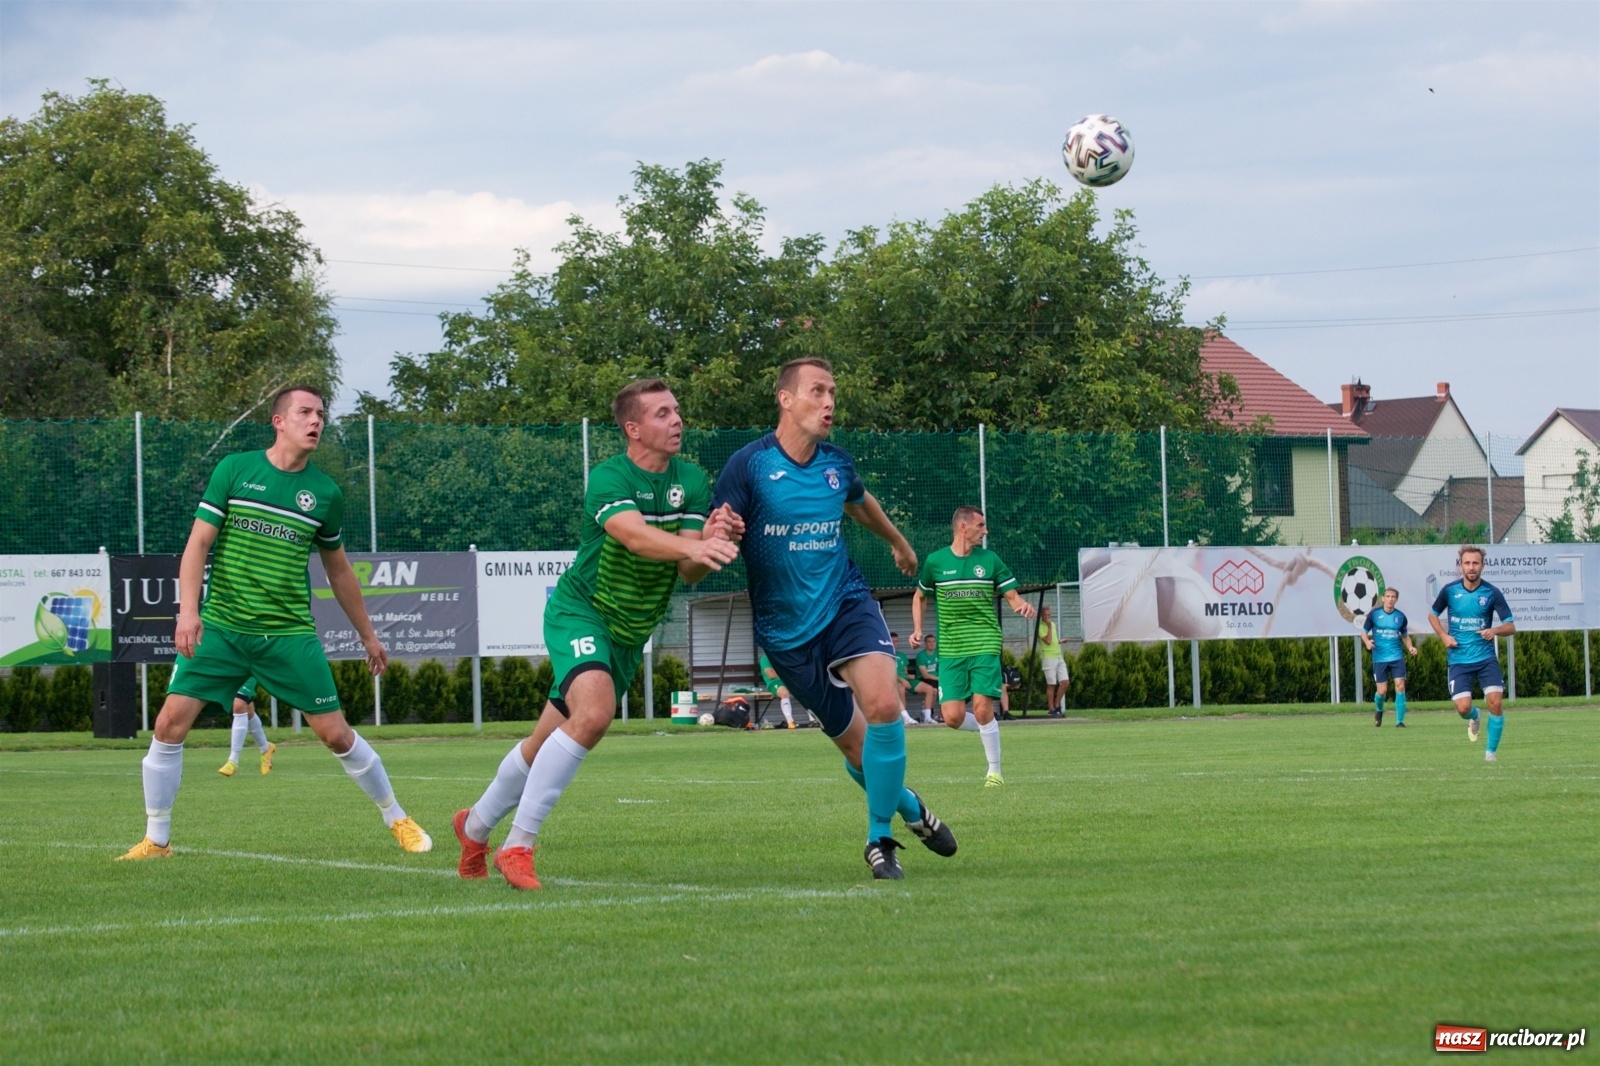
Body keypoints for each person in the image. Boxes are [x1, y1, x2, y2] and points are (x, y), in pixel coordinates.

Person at [119, 385, 430, 860]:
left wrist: (368, 635)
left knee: (335, 734)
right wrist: (188, 611)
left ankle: (398, 818)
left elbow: (339, 569)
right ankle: (156, 840)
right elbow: (198, 544)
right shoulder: (236, 470)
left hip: (288, 635)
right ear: (278, 421)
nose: (316, 421)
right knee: (168, 725)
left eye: (321, 414)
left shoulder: (324, 494)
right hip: (222, 628)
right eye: (305, 412)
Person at [453, 380, 742, 889]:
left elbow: (689, 569)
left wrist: (711, 542)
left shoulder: (692, 480)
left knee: (545, 740)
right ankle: (517, 846)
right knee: (594, 714)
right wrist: (692, 548)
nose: (676, 420)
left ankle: (474, 827)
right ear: (633, 429)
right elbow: (633, 536)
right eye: (661, 413)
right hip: (582, 613)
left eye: (676, 411)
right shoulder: (609, 476)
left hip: (631, 631)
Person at [712, 357, 957, 880]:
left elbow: (859, 501)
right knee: (858, 748)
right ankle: (911, 809)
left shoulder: (836, 464)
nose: (828, 403)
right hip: (787, 632)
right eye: (817, 391)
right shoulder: (749, 465)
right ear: (786, 399)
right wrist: (722, 531)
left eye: (833, 393)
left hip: (845, 602)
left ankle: (879, 840)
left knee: (886, 704)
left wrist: (897, 541)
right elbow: (720, 523)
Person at [911, 506, 1036, 786]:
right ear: (963, 528)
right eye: (981, 525)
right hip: (952, 648)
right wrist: (918, 629)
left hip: (984, 642)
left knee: (981, 707)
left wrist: (1021, 605)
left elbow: (1012, 595)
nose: (985, 530)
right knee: (952, 717)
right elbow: (919, 596)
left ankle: (995, 771)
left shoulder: (990, 560)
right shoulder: (936, 562)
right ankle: (987, 728)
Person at [1428, 545, 1516, 761]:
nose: (1471, 567)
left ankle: (1490, 753)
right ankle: (1475, 716)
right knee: (1463, 707)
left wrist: (1494, 630)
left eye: (1475, 563)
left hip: (1485, 658)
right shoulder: (1450, 591)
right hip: (1458, 659)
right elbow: (1432, 615)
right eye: (1467, 563)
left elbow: (1510, 626)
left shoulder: (1492, 593)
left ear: (1482, 565)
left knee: (1495, 702)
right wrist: (1444, 636)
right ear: (1460, 566)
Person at [1362, 588, 1417, 728]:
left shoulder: (1400, 617)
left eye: (1393, 597)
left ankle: (1399, 721)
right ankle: (1379, 710)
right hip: (1379, 658)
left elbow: (1405, 635)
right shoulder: (1374, 614)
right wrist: (1367, 642)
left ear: (1396, 599)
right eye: (1388, 596)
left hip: (1396, 657)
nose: (1390, 599)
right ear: (1383, 598)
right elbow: (1363, 633)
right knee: (1382, 691)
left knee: (1400, 686)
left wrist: (1410, 646)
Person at [217, 677, 276, 776]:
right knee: (248, 710)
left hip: (250, 665)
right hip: (233, 667)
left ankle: (233, 761)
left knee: (239, 704)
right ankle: (266, 748)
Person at [1037, 605, 1070, 717]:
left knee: (1065, 682)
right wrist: (1049, 627)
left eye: (1049, 615)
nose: (1048, 617)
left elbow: (1053, 641)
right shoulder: (1040, 626)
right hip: (1048, 658)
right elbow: (1048, 640)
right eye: (1045, 615)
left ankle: (1056, 705)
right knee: (1051, 684)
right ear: (1041, 615)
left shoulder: (1053, 625)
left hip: (1058, 656)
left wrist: (1060, 641)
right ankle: (1051, 709)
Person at [756, 646, 798, 728]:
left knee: (807, 691)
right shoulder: (765, 658)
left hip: (789, 681)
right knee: (784, 693)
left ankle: (813, 721)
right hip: (774, 682)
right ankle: (790, 722)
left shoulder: (785, 657)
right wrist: (785, 674)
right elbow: (771, 674)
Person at [913, 634, 941, 719]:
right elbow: (925, 675)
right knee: (934, 690)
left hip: (935, 678)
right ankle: (929, 714)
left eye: (933, 641)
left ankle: (943, 714)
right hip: (924, 679)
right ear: (925, 644)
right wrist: (940, 678)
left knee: (948, 688)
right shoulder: (921, 656)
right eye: (929, 642)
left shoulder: (938, 653)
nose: (932, 644)